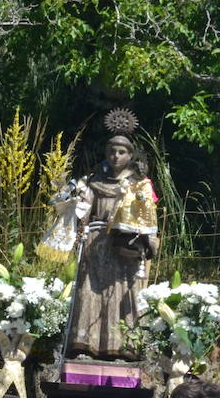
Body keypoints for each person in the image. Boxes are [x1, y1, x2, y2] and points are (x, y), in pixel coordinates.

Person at [51, 125, 159, 361]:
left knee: (121, 295)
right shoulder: (93, 180)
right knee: (89, 292)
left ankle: (124, 347)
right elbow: (83, 210)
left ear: (130, 155)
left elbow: (148, 216)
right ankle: (85, 346)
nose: (116, 156)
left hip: (124, 245)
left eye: (121, 152)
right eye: (112, 151)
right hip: (96, 244)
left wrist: (143, 241)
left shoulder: (139, 184)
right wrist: (76, 208)